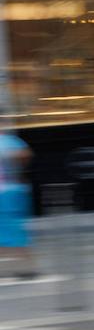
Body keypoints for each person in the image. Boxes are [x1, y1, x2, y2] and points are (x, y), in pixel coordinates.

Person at [0, 120, 36, 279]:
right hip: (12, 190)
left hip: (8, 192)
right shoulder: (11, 141)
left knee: (12, 229)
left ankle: (27, 266)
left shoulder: (8, 141)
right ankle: (26, 266)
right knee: (11, 229)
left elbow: (24, 155)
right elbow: (25, 155)